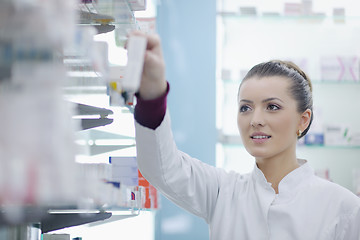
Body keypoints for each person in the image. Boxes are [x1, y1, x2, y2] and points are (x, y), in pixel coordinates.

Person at [130, 31, 360, 240]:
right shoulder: (222, 191)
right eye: (245, 108)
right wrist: (152, 93)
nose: (255, 120)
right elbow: (161, 168)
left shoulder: (343, 207)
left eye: (272, 107)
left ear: (303, 120)